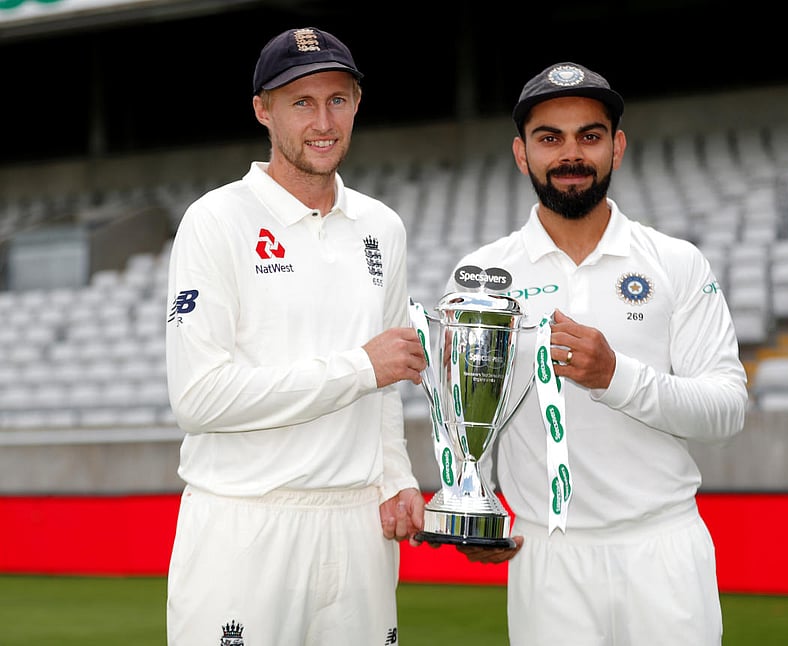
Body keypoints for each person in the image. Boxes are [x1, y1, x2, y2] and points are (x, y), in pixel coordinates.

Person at [445, 62, 749, 645]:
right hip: (548, 557)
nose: (571, 154)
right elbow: (467, 421)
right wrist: (473, 505)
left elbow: (727, 410)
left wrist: (616, 376)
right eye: (549, 138)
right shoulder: (482, 275)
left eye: (590, 135)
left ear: (618, 147)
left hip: (663, 549)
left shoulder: (675, 262)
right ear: (520, 153)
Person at [164, 27, 426, 646]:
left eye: (337, 99)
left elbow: (388, 382)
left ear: (357, 103)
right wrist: (359, 368)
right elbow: (198, 399)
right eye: (301, 103)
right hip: (245, 521)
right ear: (263, 110)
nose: (323, 121)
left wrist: (396, 477)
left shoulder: (381, 227)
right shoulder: (216, 220)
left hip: (358, 528)